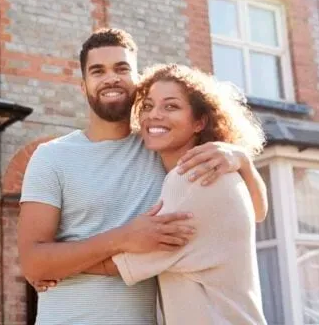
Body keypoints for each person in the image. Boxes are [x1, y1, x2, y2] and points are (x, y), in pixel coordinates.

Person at [17, 28, 268, 325]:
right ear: (83, 86)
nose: (111, 78)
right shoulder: (52, 157)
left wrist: (242, 161)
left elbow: (255, 213)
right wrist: (123, 238)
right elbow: (33, 262)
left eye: (121, 69)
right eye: (98, 71)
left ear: (138, 82)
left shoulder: (163, 149)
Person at [83, 63, 267, 323]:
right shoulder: (220, 172)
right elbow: (259, 213)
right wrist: (244, 162)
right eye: (147, 106)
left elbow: (118, 265)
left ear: (199, 122)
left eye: (171, 106)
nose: (154, 115)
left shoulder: (195, 179)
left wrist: (53, 268)